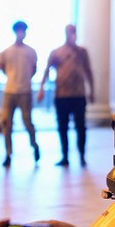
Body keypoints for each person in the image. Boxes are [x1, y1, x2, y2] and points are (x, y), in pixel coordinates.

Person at [38, 24, 95, 167]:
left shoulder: (82, 52)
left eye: (74, 32)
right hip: (62, 95)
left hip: (78, 95)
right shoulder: (56, 52)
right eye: (69, 32)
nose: (72, 34)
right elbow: (47, 70)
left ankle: (82, 155)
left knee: (80, 126)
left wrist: (92, 90)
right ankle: (65, 156)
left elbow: (88, 71)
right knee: (62, 127)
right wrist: (41, 89)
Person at [0, 20, 40, 168]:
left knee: (27, 121)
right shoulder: (7, 52)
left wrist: (25, 80)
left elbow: (34, 69)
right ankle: (8, 153)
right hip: (10, 90)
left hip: (25, 91)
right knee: (6, 123)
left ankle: (34, 146)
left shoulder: (30, 51)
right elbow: (1, 67)